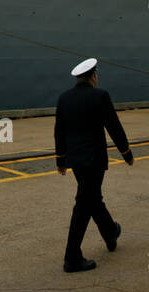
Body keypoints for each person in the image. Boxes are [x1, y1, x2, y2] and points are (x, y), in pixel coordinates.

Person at [54, 57, 133, 273]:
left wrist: (61, 159)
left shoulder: (64, 98)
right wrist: (126, 152)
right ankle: (72, 257)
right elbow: (114, 126)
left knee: (92, 199)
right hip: (95, 161)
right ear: (93, 76)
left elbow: (59, 131)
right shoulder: (100, 96)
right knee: (83, 204)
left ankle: (110, 231)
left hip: (76, 162)